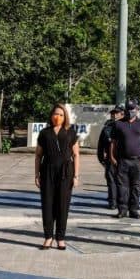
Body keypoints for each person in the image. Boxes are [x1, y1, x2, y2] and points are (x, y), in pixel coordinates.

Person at [35, 103, 81, 250]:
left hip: (65, 173)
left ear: (65, 117)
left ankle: (60, 238)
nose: (58, 117)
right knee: (47, 205)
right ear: (51, 115)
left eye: (61, 115)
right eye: (56, 114)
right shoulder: (44, 133)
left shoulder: (70, 133)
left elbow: (76, 155)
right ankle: (48, 237)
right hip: (47, 171)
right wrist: (37, 174)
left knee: (62, 205)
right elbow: (38, 155)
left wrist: (76, 176)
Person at [109, 100, 140, 219]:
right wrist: (112, 157)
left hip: (137, 161)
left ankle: (134, 210)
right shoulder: (118, 124)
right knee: (122, 187)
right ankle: (122, 210)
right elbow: (113, 142)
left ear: (137, 109)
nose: (130, 111)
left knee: (136, 187)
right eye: (128, 109)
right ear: (125, 110)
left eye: (132, 109)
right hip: (122, 160)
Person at [96, 106, 122, 209]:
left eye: (117, 113)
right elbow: (100, 145)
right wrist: (101, 159)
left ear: (122, 114)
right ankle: (113, 202)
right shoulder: (107, 128)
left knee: (123, 181)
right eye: (113, 113)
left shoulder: (127, 126)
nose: (114, 115)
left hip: (124, 158)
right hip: (110, 158)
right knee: (111, 181)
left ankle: (122, 201)